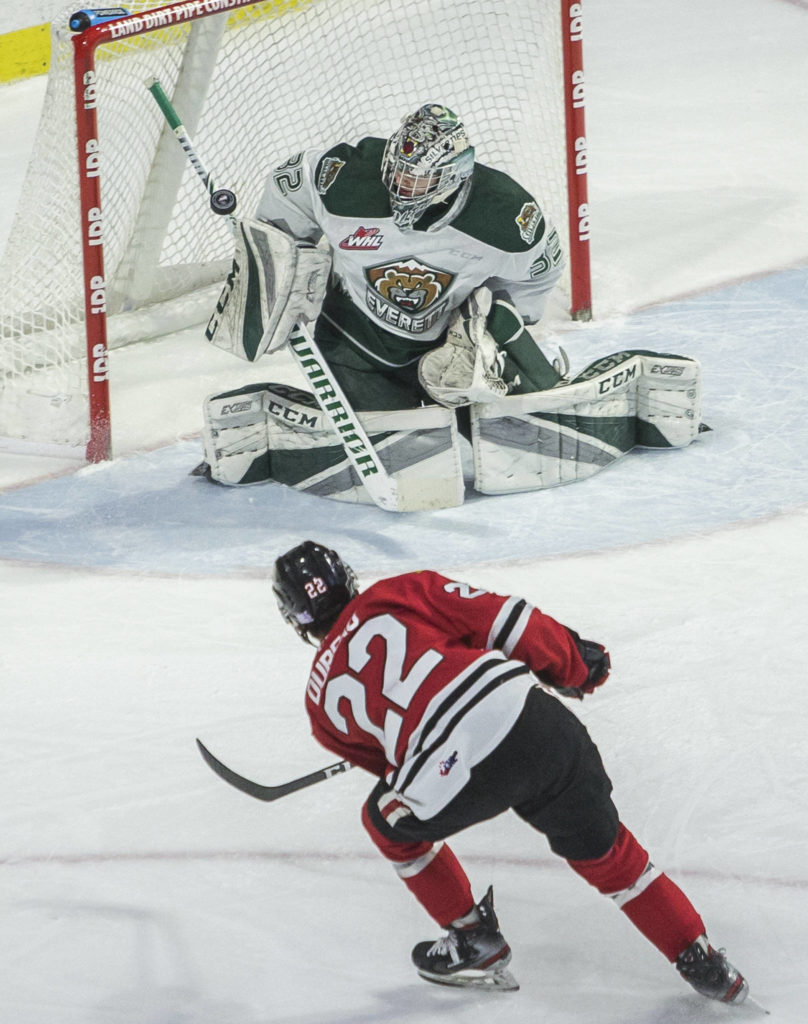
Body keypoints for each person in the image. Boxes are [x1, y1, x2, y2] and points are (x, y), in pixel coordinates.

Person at [271, 539, 749, 1003]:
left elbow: (397, 773)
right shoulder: (398, 591)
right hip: (530, 716)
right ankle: (702, 961)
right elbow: (505, 619)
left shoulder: (319, 703)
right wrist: (574, 665)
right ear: (347, 578)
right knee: (610, 856)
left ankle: (471, 937)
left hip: (452, 767)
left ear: (295, 617)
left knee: (386, 822)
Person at [197, 105, 703, 503]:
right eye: (397, 171)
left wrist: (484, 335)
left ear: (453, 176)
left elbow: (539, 274)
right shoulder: (345, 177)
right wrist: (283, 259)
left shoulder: (504, 213)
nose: (399, 186)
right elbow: (287, 193)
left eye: (416, 180)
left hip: (447, 345)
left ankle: (551, 394)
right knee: (404, 456)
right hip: (356, 341)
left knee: (526, 418)